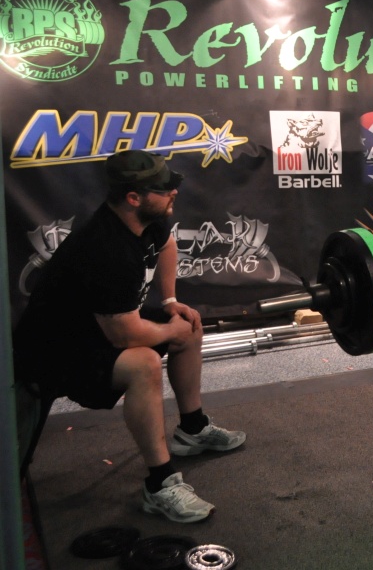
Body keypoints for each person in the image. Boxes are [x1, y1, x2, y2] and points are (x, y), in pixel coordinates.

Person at [13, 150, 245, 523]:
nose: (173, 192)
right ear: (134, 197)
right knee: (144, 363)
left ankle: (193, 430)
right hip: (54, 352)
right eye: (164, 188)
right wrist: (168, 329)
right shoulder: (105, 247)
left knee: (188, 326)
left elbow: (167, 244)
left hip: (97, 327)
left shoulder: (147, 220)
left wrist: (170, 302)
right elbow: (124, 335)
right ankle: (160, 484)